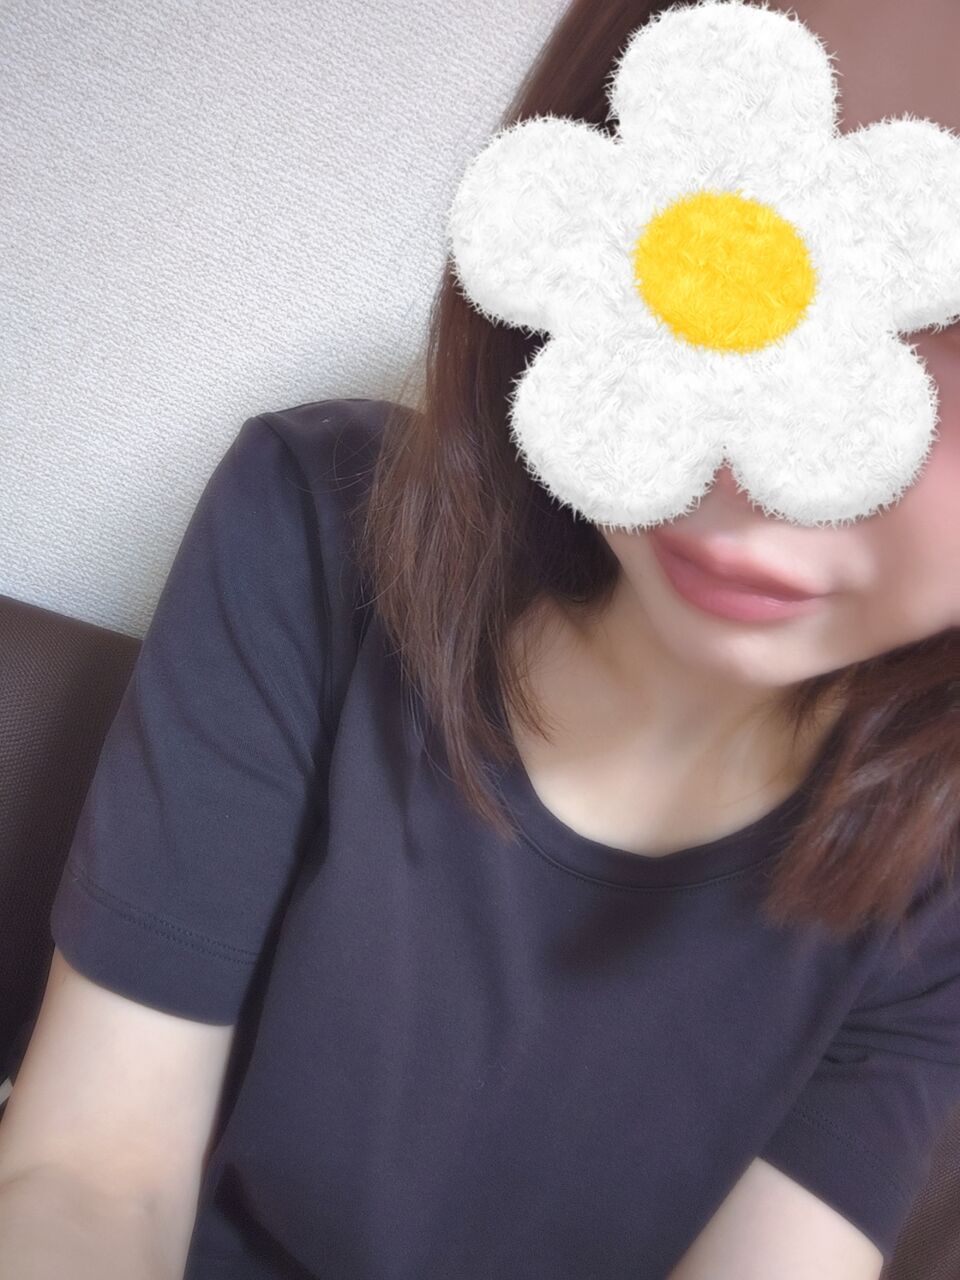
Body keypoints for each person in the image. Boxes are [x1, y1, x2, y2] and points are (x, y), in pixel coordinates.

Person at [0, 2, 957, 1279]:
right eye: (721, 249)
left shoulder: (934, 870)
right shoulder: (317, 527)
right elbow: (91, 1168)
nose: (763, 471)